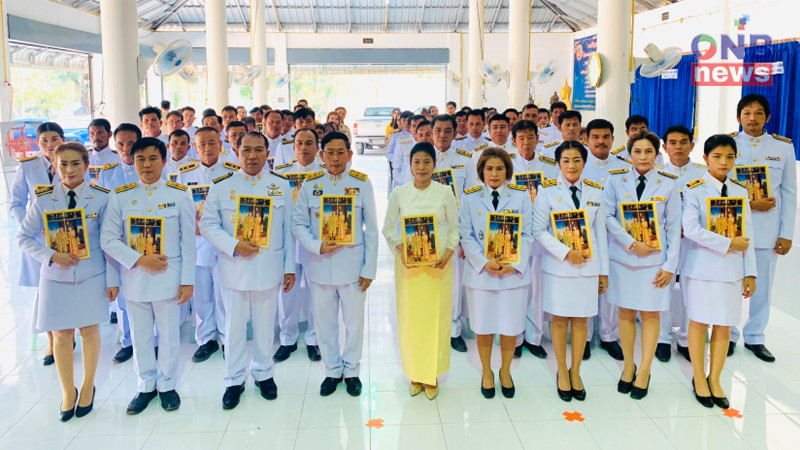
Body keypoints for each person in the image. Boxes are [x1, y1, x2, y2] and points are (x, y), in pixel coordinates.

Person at [18, 142, 117, 421]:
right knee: (61, 335)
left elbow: (109, 242)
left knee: (89, 332)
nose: (69, 170)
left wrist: (112, 280)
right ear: (54, 167)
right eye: (63, 164)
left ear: (86, 165)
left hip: (91, 275)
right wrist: (51, 255)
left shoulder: (102, 197)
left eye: (75, 164)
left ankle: (87, 386)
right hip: (55, 278)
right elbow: (23, 238)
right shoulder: (44, 199)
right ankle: (67, 392)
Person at [199, 132, 295, 409]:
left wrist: (289, 268)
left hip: (269, 266)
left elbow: (287, 229)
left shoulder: (281, 186)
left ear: (267, 153)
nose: (252, 156)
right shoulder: (221, 186)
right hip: (234, 268)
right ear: (236, 152)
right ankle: (233, 380)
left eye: (258, 150)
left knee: (266, 327)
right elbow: (207, 225)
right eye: (246, 151)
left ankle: (264, 374)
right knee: (234, 328)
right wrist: (233, 245)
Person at [100, 137, 196, 415]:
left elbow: (188, 243)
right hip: (135, 278)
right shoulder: (121, 195)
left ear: (164, 161)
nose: (146, 164)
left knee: (168, 336)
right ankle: (145, 386)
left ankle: (167, 386)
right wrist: (139, 260)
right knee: (141, 337)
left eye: (153, 158)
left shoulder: (179, 195)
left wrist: (187, 280)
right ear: (132, 161)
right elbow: (108, 239)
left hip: (169, 278)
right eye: (140, 158)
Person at [291, 132, 378, 397]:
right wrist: (316, 245)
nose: (336, 158)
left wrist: (369, 269)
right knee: (325, 323)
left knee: (354, 323)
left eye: (341, 152)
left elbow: (371, 230)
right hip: (319, 266)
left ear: (350, 155)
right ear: (322, 156)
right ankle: (332, 370)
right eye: (330, 152)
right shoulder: (310, 185)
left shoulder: (362, 184)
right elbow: (298, 224)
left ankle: (351, 370)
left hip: (353, 268)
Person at [603, 132, 681, 400]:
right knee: (625, 313)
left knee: (650, 315)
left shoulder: (669, 184)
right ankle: (628, 365)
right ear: (629, 154)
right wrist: (631, 243)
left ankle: (645, 369)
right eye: (638, 152)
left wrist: (671, 266)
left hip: (654, 263)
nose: (643, 157)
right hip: (624, 258)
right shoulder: (615, 181)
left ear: (657, 155)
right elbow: (608, 217)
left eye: (649, 152)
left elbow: (673, 228)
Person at [682, 134, 757, 408]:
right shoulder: (694, 189)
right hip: (702, 268)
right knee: (700, 322)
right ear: (705, 159)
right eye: (717, 156)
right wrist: (727, 243)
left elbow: (749, 234)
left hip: (731, 270)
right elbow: (690, 229)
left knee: (724, 324)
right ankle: (699, 377)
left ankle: (715, 378)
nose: (723, 162)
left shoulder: (741, 191)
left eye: (729, 157)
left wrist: (751, 272)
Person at [532, 141, 608, 402]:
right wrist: (565, 252)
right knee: (560, 319)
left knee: (581, 320)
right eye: (566, 161)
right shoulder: (547, 192)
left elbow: (600, 233)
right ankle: (561, 371)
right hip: (559, 268)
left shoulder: (597, 192)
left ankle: (576, 371)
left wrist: (603, 271)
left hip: (588, 267)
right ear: (558, 164)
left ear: (584, 164)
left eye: (577, 160)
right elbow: (538, 230)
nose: (572, 166)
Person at [382, 142, 459, 400]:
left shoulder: (445, 192)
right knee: (411, 319)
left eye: (427, 162)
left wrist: (448, 252)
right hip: (409, 267)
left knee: (436, 319)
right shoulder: (400, 194)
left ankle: (433, 374)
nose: (422, 167)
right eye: (417, 162)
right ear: (410, 165)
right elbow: (388, 228)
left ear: (434, 164)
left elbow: (455, 227)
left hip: (438, 266)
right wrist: (401, 249)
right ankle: (415, 373)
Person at [459, 147, 533, 399]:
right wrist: (483, 262)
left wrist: (516, 263)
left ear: (507, 171)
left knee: (510, 326)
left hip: (513, 274)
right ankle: (487, 371)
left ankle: (505, 371)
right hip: (481, 274)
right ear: (481, 171)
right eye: (489, 168)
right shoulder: (469, 197)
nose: (494, 173)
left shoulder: (521, 197)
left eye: (499, 168)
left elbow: (527, 234)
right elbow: (465, 236)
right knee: (483, 325)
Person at [730, 94, 796, 362]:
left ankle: (755, 336)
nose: (752, 118)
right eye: (747, 113)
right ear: (739, 118)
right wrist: (749, 204)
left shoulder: (782, 148)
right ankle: (729, 334)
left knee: (763, 284)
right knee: (732, 282)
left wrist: (787, 233)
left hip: (768, 229)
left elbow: (790, 193)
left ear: (767, 117)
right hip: (735, 229)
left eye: (758, 113)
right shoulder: (728, 145)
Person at [11, 122, 72, 366]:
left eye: (54, 138)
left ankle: (69, 334)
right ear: (38, 143)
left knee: (70, 285)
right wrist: (29, 225)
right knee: (44, 291)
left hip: (69, 236)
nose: (49, 144)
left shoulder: (73, 162)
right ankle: (52, 342)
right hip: (38, 240)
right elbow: (16, 202)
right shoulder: (28, 167)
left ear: (63, 139)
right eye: (44, 140)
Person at [178, 127, 239, 363]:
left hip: (224, 241)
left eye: (211, 143)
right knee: (201, 294)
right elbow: (180, 207)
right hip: (198, 241)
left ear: (220, 144)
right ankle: (206, 339)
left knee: (225, 292)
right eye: (201, 144)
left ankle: (226, 338)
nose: (206, 148)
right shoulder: (184, 174)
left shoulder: (233, 172)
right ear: (195, 147)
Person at [579, 118, 631, 360]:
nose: (601, 142)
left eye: (606, 137)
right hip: (585, 236)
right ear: (586, 139)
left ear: (613, 139)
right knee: (588, 285)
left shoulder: (623, 167)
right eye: (595, 137)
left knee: (610, 286)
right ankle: (586, 337)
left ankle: (609, 336)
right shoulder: (578, 164)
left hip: (614, 236)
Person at [656, 125, 707, 362]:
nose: (678, 147)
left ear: (692, 145)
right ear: (664, 147)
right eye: (673, 142)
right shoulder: (656, 174)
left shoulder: (703, 174)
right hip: (664, 241)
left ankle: (687, 339)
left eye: (683, 142)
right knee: (662, 289)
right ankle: (663, 339)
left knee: (692, 290)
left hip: (693, 242)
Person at [273, 128, 324, 363]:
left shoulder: (324, 174)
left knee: (316, 291)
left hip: (314, 241)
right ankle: (288, 338)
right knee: (288, 292)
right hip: (288, 241)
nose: (304, 148)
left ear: (317, 147)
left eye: (309, 143)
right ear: (293, 149)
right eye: (299, 143)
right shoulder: (281, 175)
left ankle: (314, 339)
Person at [508, 120, 554, 360]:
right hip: (513, 236)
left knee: (536, 288)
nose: (526, 143)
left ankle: (533, 338)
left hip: (540, 237)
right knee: (515, 288)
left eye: (530, 137)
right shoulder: (506, 165)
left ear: (538, 139)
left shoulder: (549, 166)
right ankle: (514, 337)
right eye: (521, 138)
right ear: (514, 140)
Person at [464, 114, 515, 189]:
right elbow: (474, 178)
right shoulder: (478, 152)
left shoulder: (518, 150)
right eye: (495, 127)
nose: (499, 131)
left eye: (502, 127)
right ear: (489, 130)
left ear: (509, 129)